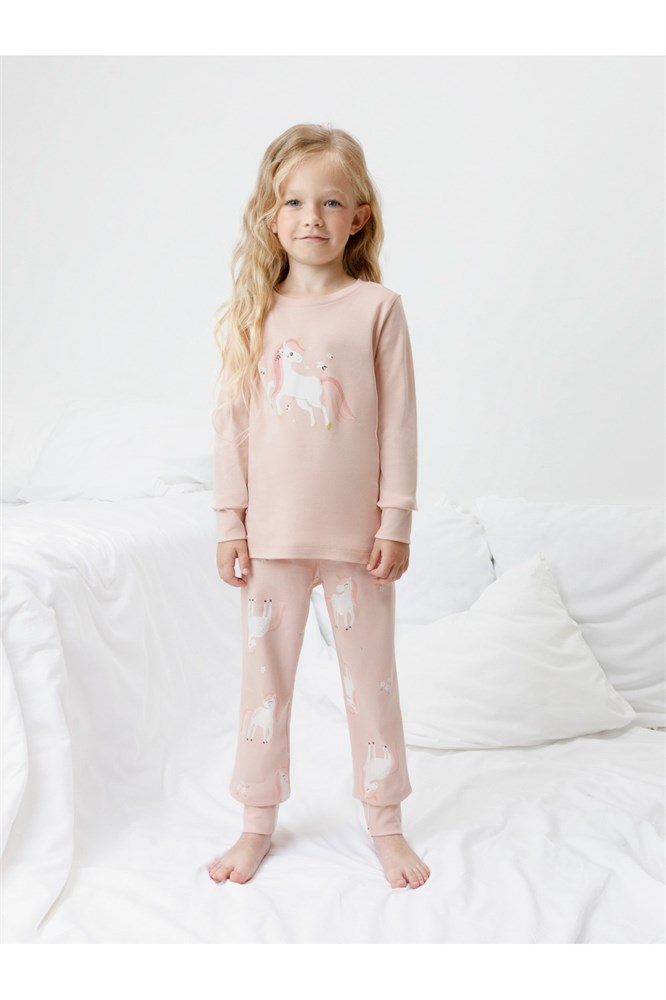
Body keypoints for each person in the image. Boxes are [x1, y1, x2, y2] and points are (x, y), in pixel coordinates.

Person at [206, 123, 431, 891]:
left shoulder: (378, 309)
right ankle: (256, 821)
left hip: (358, 540)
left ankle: (386, 823)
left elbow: (398, 423)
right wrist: (230, 523)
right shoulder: (255, 312)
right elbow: (233, 427)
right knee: (264, 684)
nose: (312, 217)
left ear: (358, 216)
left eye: (331, 202)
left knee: (372, 682)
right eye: (295, 202)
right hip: (270, 537)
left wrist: (395, 520)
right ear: (271, 216)